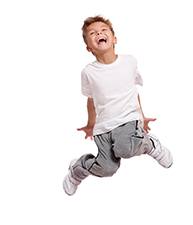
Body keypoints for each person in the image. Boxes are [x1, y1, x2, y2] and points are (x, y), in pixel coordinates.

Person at [63, 16, 173, 196]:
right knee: (107, 168)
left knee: (125, 148)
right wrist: (91, 124)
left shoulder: (129, 62)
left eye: (104, 30)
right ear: (89, 47)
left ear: (114, 39)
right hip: (104, 127)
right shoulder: (88, 72)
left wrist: (142, 117)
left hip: (128, 119)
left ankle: (150, 144)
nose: (99, 32)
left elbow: (134, 91)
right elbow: (91, 100)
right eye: (93, 33)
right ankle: (78, 169)